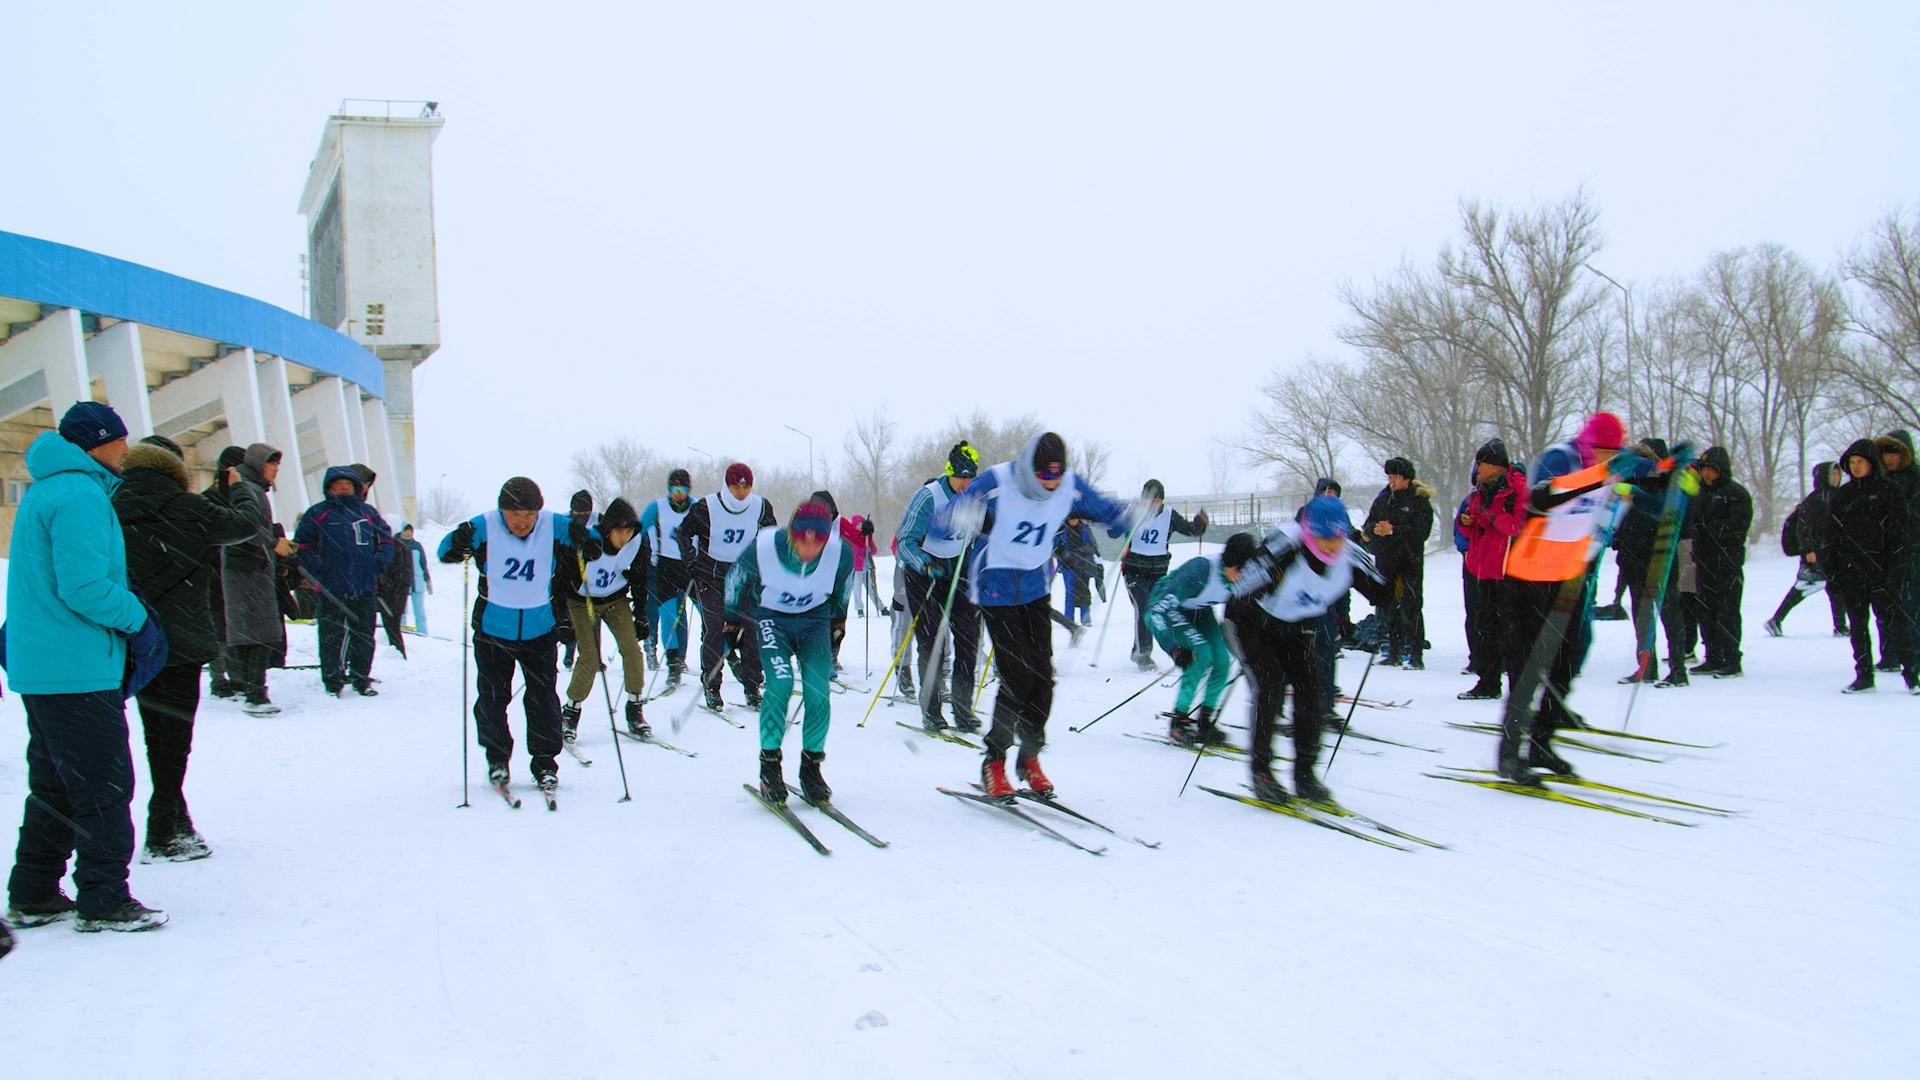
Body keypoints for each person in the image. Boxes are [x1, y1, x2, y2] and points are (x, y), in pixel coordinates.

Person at [5, 402, 169, 933]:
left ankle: (33, 891)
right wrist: (138, 617)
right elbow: (84, 588)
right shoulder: (79, 493)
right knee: (103, 786)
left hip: (45, 664)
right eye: (120, 439)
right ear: (95, 442)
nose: (127, 448)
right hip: (76, 666)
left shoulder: (48, 490)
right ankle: (103, 899)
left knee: (55, 784)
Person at [927, 432, 1134, 798]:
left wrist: (1124, 518)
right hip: (995, 587)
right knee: (1017, 675)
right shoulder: (998, 481)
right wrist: (960, 515)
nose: (1051, 484)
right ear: (1030, 468)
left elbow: (1103, 510)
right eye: (1044, 476)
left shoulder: (1068, 484)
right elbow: (942, 522)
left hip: (1036, 586)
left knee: (1043, 677)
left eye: (1057, 476)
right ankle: (993, 761)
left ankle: (1029, 756)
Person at [112, 435, 260, 862]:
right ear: (175, 469)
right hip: (180, 640)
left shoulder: (109, 507)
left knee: (153, 734)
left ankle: (175, 821)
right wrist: (236, 487)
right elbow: (246, 525)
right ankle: (164, 828)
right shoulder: (189, 509)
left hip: (132, 638)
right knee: (175, 739)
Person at [1497, 412, 1656, 784]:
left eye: (1612, 454)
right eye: (1601, 452)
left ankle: (1541, 742)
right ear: (1588, 444)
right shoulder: (1559, 458)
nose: (1605, 459)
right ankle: (1508, 755)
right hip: (1528, 577)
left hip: (1570, 577)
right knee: (1526, 668)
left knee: (1568, 660)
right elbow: (1542, 499)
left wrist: (1673, 472)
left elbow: (1647, 485)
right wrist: (1604, 475)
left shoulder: (1612, 468)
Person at [1227, 497, 1393, 805]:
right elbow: (1240, 596)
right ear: (1307, 531)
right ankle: (1261, 771)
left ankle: (1305, 775)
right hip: (1251, 620)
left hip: (1295, 624)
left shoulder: (1350, 556)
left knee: (1310, 693)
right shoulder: (1285, 547)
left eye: (1337, 537)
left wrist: (1394, 591)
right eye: (1322, 537)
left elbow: (1384, 590)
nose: (1331, 545)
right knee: (1270, 687)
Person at [438, 478, 581, 799]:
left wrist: (585, 540)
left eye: (529, 514)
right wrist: (457, 542)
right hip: (492, 631)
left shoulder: (553, 524)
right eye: (514, 514)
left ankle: (545, 763)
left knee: (543, 698)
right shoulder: (485, 525)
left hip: (539, 631)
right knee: (491, 698)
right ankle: (497, 759)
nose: (522, 521)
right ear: (502, 511)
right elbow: (445, 551)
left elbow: (591, 539)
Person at [727, 500, 855, 803]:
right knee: (780, 685)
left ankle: (811, 768)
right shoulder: (765, 545)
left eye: (818, 540)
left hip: (813, 622)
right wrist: (731, 623)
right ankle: (769, 766)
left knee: (818, 691)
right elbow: (735, 579)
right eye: (802, 539)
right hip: (774, 620)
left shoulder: (841, 552)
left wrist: (838, 621)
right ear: (791, 534)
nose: (809, 547)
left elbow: (843, 589)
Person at [896, 443, 985, 733]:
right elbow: (905, 542)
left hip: (957, 571)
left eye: (970, 477)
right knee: (933, 642)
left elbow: (972, 537)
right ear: (949, 472)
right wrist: (925, 563)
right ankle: (932, 711)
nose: (965, 483)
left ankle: (962, 709)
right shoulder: (928, 497)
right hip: (925, 574)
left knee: (969, 641)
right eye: (961, 477)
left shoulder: (973, 497)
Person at [678, 464, 779, 712]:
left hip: (746, 578)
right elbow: (683, 532)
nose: (741, 492)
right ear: (727, 485)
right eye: (736, 486)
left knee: (751, 632)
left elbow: (771, 538)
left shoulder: (761, 506)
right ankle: (712, 685)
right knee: (715, 629)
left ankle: (752, 685)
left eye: (746, 486)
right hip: (712, 577)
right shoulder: (706, 506)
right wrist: (690, 559)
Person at [294, 466, 396, 696]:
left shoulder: (368, 512)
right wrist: (320, 570)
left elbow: (386, 541)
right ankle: (332, 681)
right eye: (338, 484)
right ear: (329, 488)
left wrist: (376, 565)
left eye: (348, 484)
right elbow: (303, 545)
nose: (343, 487)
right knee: (330, 637)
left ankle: (361, 680)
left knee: (364, 637)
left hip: (364, 587)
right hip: (331, 589)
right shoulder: (317, 513)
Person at [1148, 533, 1256, 747]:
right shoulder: (1199, 571)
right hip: (1171, 609)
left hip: (1199, 610)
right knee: (1202, 655)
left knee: (1223, 660)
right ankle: (1179, 720)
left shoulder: (1238, 574)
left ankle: (1205, 721)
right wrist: (1174, 649)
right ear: (1230, 563)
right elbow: (1154, 612)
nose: (1243, 577)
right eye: (1240, 571)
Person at [558, 497, 652, 740]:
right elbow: (560, 577)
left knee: (631, 649)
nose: (624, 538)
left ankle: (635, 710)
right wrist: (562, 618)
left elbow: (640, 580)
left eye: (629, 531)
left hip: (614, 601)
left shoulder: (637, 543)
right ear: (607, 529)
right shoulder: (586, 541)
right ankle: (570, 712)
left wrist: (640, 615)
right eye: (618, 532)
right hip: (581, 601)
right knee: (589, 656)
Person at [1824, 440, 1914, 693]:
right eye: (1851, 463)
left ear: (1871, 463)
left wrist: (1895, 571)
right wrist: (1832, 570)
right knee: (1858, 627)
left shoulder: (1889, 491)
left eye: (1860, 461)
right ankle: (1864, 675)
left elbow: (1900, 535)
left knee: (1896, 625)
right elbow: (1831, 536)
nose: (1855, 467)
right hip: (1852, 572)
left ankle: (1913, 674)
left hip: (1883, 572)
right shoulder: (1842, 495)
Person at [223, 443, 297, 716]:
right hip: (247, 571)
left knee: (252, 633)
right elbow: (245, 525)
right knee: (262, 634)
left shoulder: (251, 488)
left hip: (249, 569)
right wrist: (272, 542)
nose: (276, 470)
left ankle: (248, 687)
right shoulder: (248, 489)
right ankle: (255, 694)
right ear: (256, 464)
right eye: (271, 464)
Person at [1116, 480, 1208, 671]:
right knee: (1144, 608)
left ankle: (1138, 650)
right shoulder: (1134, 512)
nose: (1154, 504)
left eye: (1158, 500)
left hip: (1158, 572)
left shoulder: (1169, 515)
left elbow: (1190, 530)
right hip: (1134, 571)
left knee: (1156, 611)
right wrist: (1119, 520)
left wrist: (1199, 525)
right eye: (1150, 500)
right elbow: (1114, 529)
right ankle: (1143, 655)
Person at [1457, 441, 1526, 699]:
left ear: (1495, 465)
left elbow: (1518, 525)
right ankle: (1487, 683)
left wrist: (1485, 517)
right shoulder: (1478, 490)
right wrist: (1466, 521)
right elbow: (1468, 525)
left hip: (1509, 569)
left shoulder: (1516, 488)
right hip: (1483, 568)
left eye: (1481, 463)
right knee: (1485, 628)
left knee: (1510, 630)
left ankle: (1519, 689)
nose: (1477, 468)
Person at [1685, 447, 1752, 678]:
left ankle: (1732, 659)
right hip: (1704, 561)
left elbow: (1737, 526)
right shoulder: (1698, 495)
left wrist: (1709, 528)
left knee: (1728, 611)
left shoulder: (1736, 494)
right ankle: (1712, 657)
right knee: (1705, 610)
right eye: (1703, 470)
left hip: (1727, 561)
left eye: (1710, 469)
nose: (1706, 474)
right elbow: (1691, 523)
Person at [1362, 457, 1434, 669]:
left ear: (1407, 479)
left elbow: (1422, 532)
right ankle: (1393, 651)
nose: (1391, 481)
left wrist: (1394, 530)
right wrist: (1373, 529)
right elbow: (1368, 523)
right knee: (1389, 607)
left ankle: (1415, 653)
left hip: (1409, 561)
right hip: (1385, 560)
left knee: (1411, 606)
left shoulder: (1419, 500)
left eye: (1396, 477)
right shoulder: (1383, 498)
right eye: (1389, 477)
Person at [1765, 462, 1846, 638]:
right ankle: (1776, 620)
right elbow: (1804, 527)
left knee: (1834, 588)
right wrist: (1808, 550)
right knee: (1804, 588)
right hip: (1816, 553)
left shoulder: (1838, 497)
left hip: (1832, 552)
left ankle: (1840, 626)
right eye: (1832, 475)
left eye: (1838, 475)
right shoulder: (1814, 500)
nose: (1835, 478)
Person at [638, 469, 697, 691]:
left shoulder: (698, 506)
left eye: (682, 489)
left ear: (688, 490)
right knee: (670, 617)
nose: (678, 494)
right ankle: (673, 666)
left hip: (692, 566)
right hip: (665, 567)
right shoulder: (658, 508)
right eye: (673, 489)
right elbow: (638, 531)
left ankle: (724, 662)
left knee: (712, 617)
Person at [203, 444, 248, 698]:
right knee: (220, 626)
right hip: (216, 573)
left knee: (229, 625)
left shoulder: (220, 497)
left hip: (228, 572)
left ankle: (233, 676)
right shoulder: (216, 500)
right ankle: (221, 677)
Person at [1056, 513, 1100, 627]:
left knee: (1084, 591)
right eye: (1071, 519)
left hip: (1084, 565)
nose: (1073, 521)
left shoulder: (1085, 529)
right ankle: (1068, 620)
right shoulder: (1061, 530)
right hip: (1068, 565)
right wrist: (1067, 556)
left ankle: (1086, 619)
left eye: (1075, 518)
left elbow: (1093, 546)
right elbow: (1056, 547)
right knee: (1070, 592)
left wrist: (1078, 553)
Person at [399, 523, 433, 634]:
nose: (408, 533)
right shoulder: (399, 545)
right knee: (402, 610)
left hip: (417, 583)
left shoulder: (417, 546)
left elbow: (423, 563)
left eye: (410, 531)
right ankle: (402, 631)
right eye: (406, 531)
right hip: (403, 583)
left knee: (419, 611)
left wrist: (427, 579)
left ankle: (423, 632)